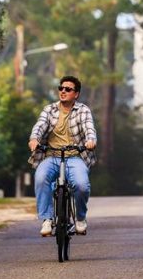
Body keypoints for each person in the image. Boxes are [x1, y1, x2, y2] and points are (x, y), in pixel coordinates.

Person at [28, 75, 97, 237]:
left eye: (68, 89)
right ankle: (47, 219)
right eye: (61, 88)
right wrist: (34, 138)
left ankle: (80, 218)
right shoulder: (49, 109)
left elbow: (89, 128)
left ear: (76, 94)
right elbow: (40, 125)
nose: (63, 91)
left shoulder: (83, 110)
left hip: (75, 157)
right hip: (51, 156)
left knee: (81, 185)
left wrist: (91, 140)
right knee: (40, 178)